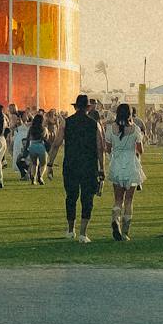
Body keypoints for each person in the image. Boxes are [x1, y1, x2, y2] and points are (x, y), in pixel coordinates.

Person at [62, 95, 101, 243]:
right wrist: (102, 168)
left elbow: (57, 142)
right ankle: (83, 233)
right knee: (87, 198)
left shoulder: (67, 122)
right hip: (89, 165)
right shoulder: (94, 124)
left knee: (71, 197)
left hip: (71, 163)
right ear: (88, 108)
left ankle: (71, 229)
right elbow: (100, 146)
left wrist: (51, 163)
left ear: (75, 107)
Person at [104, 102, 145, 240]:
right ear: (130, 114)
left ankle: (115, 220)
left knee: (118, 199)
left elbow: (108, 148)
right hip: (131, 163)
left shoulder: (111, 128)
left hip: (117, 162)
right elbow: (140, 150)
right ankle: (125, 232)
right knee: (129, 200)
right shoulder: (135, 129)